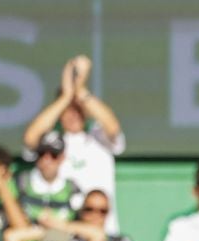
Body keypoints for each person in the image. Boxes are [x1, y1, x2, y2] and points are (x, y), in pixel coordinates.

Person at [22, 56, 126, 226]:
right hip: (63, 236)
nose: (73, 115)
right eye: (67, 110)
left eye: (78, 109)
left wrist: (80, 88)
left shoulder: (99, 138)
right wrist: (66, 96)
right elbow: (30, 138)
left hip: (101, 234)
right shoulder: (51, 143)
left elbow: (113, 126)